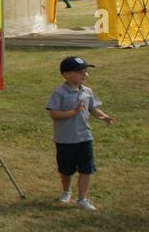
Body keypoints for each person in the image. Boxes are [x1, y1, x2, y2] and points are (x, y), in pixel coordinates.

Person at [46, 55, 114, 212]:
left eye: (86, 72)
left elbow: (93, 108)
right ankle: (66, 191)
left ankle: (82, 199)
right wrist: (72, 112)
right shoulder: (59, 93)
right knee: (66, 170)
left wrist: (103, 116)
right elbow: (54, 114)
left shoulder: (87, 91)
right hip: (65, 139)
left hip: (84, 137)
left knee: (86, 168)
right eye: (81, 72)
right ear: (67, 74)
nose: (85, 75)